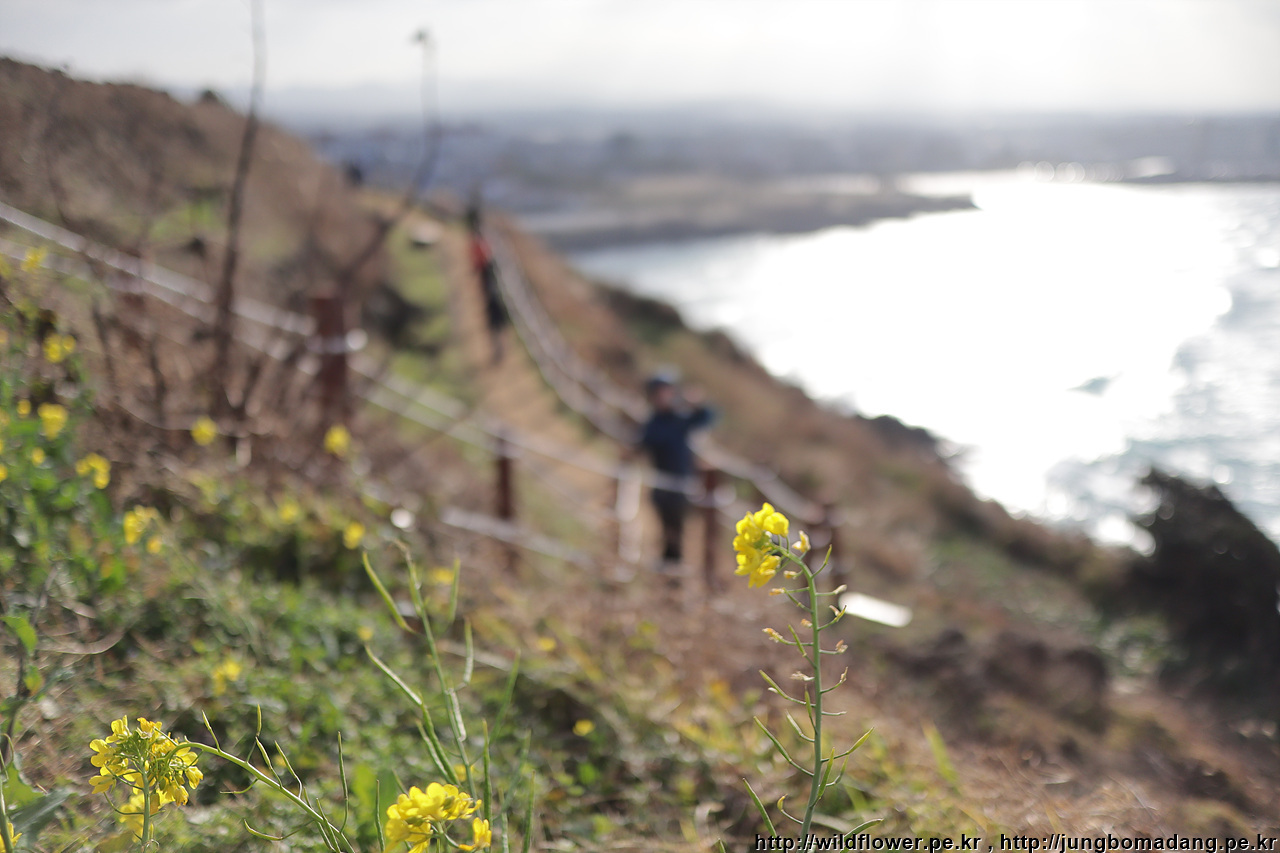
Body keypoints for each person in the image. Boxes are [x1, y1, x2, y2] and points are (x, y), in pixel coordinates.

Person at [637, 373, 715, 572]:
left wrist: (697, 403)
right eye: (659, 393)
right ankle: (668, 564)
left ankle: (674, 566)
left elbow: (708, 417)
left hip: (682, 485)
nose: (663, 397)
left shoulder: (681, 419)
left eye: (666, 392)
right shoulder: (653, 423)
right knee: (667, 528)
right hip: (662, 485)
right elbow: (643, 445)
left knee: (678, 528)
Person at [465, 203, 508, 364]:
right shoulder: (484, 246)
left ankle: (499, 349)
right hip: (493, 293)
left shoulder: (490, 270)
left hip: (493, 296)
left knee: (496, 321)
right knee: (496, 321)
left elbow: (479, 261)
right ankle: (498, 348)